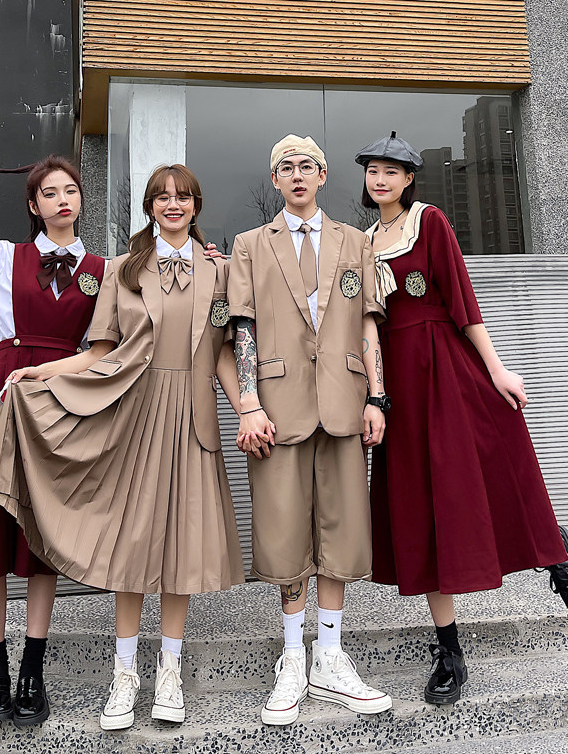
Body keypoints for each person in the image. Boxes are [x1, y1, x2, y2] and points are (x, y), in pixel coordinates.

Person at [0, 164, 245, 731]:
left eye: (183, 197)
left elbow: (224, 351)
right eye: (162, 197)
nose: (173, 205)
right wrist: (41, 374)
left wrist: (248, 408)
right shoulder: (123, 270)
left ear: (196, 206)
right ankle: (125, 676)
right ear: (149, 207)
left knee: (181, 548)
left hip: (192, 420)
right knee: (132, 545)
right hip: (134, 417)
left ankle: (169, 672)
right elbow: (99, 352)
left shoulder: (220, 272)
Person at [355, 131, 568, 705]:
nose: (381, 179)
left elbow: (463, 300)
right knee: (422, 512)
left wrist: (497, 369)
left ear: (410, 179)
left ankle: (554, 550)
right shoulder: (360, 243)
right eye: (373, 170)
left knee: (493, 465)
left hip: (446, 366)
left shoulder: (429, 222)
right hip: (399, 387)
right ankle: (449, 651)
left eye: (392, 171)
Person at [0, 154, 106, 726]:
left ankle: (32, 672)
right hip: (6, 398)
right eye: (49, 193)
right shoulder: (5, 257)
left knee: (41, 538)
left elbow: (106, 346)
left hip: (61, 402)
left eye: (70, 190)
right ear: (34, 205)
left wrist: (207, 256)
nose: (62, 199)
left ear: (81, 200)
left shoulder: (103, 270)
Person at [228, 135, 393, 726]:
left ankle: (330, 652)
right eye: (285, 168)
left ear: (323, 175)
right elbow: (241, 329)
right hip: (277, 407)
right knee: (284, 529)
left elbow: (369, 323)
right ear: (274, 180)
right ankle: (293, 656)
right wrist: (249, 402)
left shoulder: (355, 241)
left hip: (344, 401)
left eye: (306, 166)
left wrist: (376, 396)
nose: (297, 175)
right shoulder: (250, 245)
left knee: (341, 529)